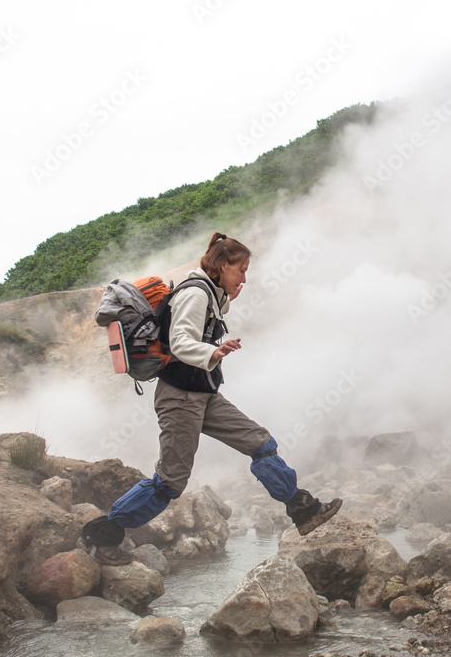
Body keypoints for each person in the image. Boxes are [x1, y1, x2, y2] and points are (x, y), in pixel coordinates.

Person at [82, 232, 341, 565]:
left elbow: (211, 312)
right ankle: (103, 535)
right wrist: (214, 350)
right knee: (169, 482)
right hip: (180, 398)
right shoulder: (194, 294)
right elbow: (180, 341)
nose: (244, 278)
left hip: (203, 394)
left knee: (260, 443)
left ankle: (304, 510)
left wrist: (229, 297)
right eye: (240, 270)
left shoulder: (209, 293)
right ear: (221, 266)